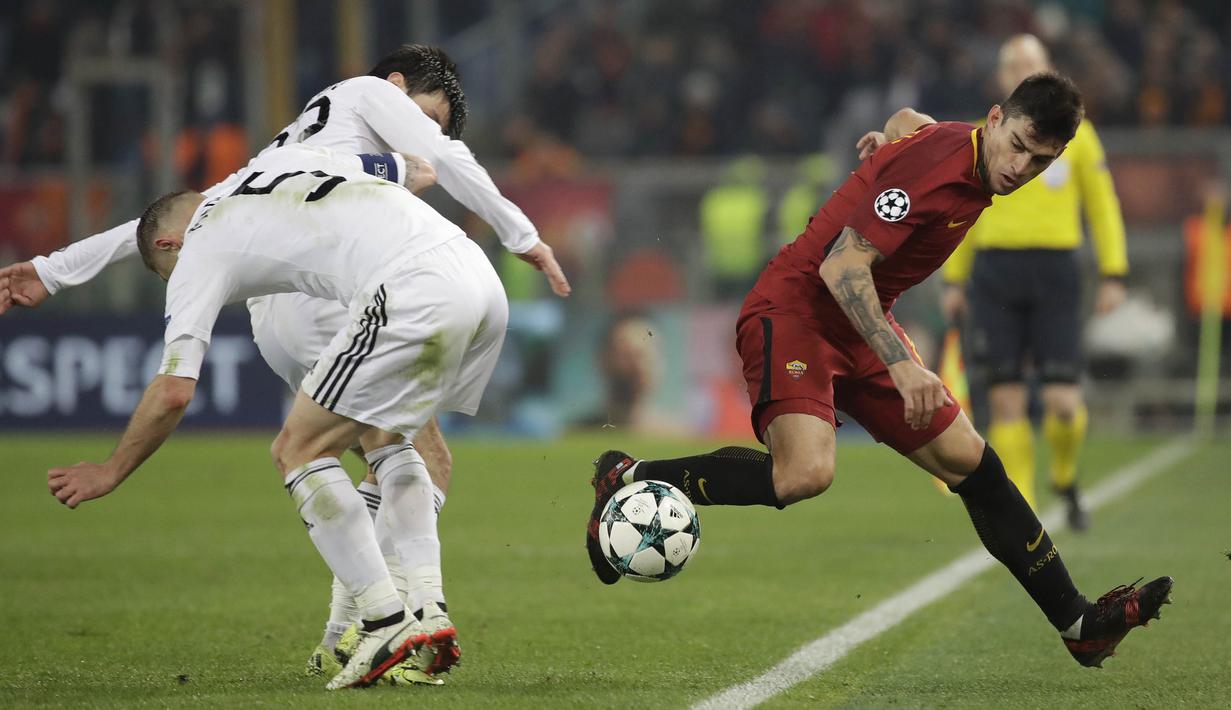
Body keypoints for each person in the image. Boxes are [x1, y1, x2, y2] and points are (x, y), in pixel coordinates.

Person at [0, 44, 572, 681]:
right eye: (426, 116)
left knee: (344, 449)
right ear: (396, 84)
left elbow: (174, 218)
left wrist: (54, 270)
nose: (428, 132)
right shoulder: (363, 104)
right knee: (402, 449)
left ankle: (368, 623)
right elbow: (433, 164)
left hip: (338, 295)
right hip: (420, 278)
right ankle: (410, 611)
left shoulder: (274, 161)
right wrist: (521, 234)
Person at [584, 73, 1171, 669]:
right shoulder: (938, 168)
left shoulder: (961, 151)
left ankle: (1080, 625)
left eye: (1040, 160)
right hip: (797, 310)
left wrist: (885, 140)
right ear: (994, 118)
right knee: (804, 474)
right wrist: (902, 364)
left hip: (859, 321)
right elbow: (842, 269)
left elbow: (908, 120)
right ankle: (631, 476)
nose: (1022, 167)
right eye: (1018, 144)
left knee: (969, 461)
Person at [46, 143, 508, 689]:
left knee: (298, 450)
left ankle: (383, 621)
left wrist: (111, 469)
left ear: (171, 244)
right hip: (477, 278)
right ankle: (427, 608)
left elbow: (173, 391)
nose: (181, 283)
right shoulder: (277, 167)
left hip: (410, 286)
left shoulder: (197, 248)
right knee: (391, 443)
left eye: (167, 273)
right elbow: (410, 169)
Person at [941, 35, 1128, 530]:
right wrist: (954, 280)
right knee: (1005, 400)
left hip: (1055, 272)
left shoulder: (1078, 138)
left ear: (1048, 70)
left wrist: (1113, 271)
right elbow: (963, 209)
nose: (1020, 68)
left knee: (1063, 403)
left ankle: (1064, 476)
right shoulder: (990, 134)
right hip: (995, 273)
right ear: (1003, 82)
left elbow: (1102, 204)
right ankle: (1023, 517)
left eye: (1029, 62)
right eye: (1011, 65)